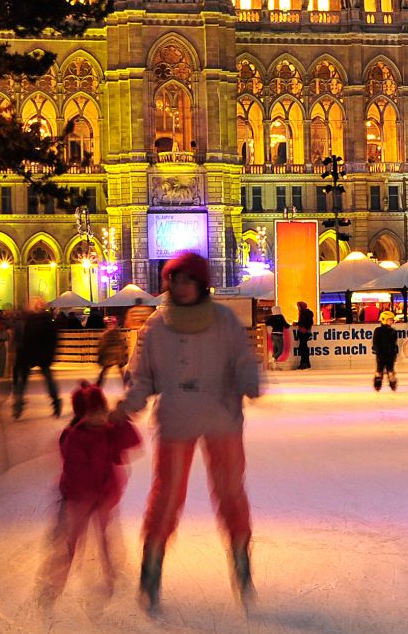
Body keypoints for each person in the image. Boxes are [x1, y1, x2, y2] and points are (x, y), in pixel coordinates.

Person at [119, 251, 264, 613]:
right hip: (177, 419)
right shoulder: (156, 326)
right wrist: (126, 406)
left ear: (201, 283)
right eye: (175, 280)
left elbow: (242, 359)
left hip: (220, 416)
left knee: (230, 489)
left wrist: (250, 380)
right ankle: (151, 565)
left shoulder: (224, 321)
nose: (180, 287)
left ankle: (240, 558)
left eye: (187, 280)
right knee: (167, 494)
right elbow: (142, 377)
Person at [40, 383, 141, 603]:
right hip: (80, 498)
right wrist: (78, 497)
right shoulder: (73, 437)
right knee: (71, 540)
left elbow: (133, 442)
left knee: (105, 539)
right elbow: (75, 470)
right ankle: (53, 583)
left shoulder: (109, 433)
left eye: (102, 410)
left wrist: (122, 421)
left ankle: (109, 578)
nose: (99, 416)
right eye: (93, 412)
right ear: (81, 416)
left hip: (104, 496)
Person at [14, 298, 61, 419]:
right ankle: (55, 402)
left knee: (23, 381)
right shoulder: (47, 320)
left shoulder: (28, 321)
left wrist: (21, 355)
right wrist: (50, 354)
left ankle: (18, 404)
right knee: (48, 380)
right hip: (42, 355)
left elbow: (23, 339)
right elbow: (53, 339)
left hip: (28, 354)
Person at [372, 313, 401, 390]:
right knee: (379, 370)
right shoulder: (378, 330)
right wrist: (376, 349)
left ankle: (392, 383)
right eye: (390, 320)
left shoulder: (393, 331)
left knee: (390, 370)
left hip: (390, 354)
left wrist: (395, 353)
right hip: (381, 354)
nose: (392, 321)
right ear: (384, 320)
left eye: (392, 320)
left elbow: (394, 343)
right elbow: (375, 342)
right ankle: (378, 383)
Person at [292, 301, 314, 370]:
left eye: (298, 306)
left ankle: (304, 363)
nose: (298, 308)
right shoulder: (305, 313)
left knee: (303, 347)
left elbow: (309, 322)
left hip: (304, 332)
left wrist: (305, 328)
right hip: (304, 331)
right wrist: (297, 323)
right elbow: (304, 322)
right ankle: (306, 363)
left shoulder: (304, 313)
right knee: (303, 347)